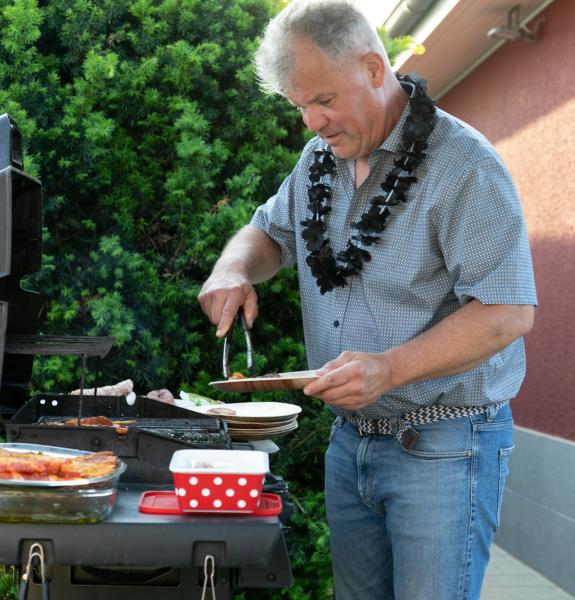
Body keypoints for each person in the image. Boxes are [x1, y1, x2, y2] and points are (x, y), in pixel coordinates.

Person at [198, 1, 537, 598]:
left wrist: (388, 368)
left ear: (374, 69)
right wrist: (232, 267)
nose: (311, 122)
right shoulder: (318, 162)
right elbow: (270, 232)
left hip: (444, 446)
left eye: (323, 100)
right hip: (351, 442)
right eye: (299, 105)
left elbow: (506, 311)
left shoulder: (464, 166)